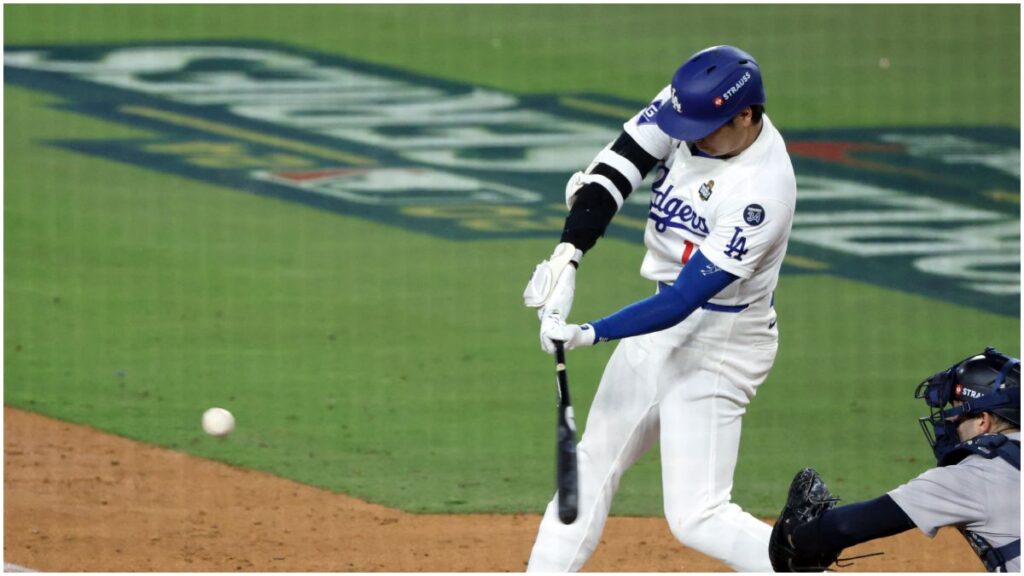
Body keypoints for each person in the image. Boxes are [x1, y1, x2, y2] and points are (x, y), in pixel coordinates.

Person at [522, 45, 797, 572]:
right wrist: (569, 254)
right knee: (589, 463)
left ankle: (800, 565)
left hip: (721, 346)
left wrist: (588, 332)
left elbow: (682, 300)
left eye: (704, 127)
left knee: (698, 516)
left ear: (746, 115)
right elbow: (616, 167)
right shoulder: (692, 103)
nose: (689, 134)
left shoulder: (764, 191)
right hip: (660, 326)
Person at [769, 348, 1021, 573]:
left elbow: (847, 527)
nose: (949, 422)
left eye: (956, 411)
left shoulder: (974, 477)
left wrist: (796, 538)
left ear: (982, 420)